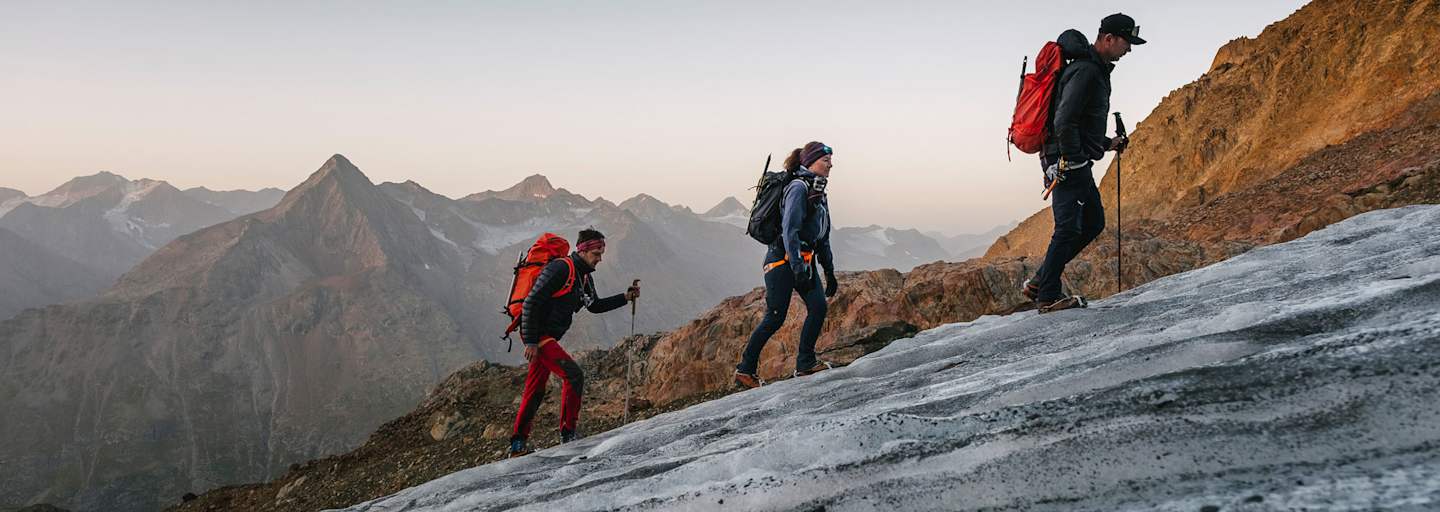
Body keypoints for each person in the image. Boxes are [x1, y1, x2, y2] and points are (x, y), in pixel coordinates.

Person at [1023, 13, 1145, 313]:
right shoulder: (1087, 71)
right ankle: (1047, 296)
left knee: (1093, 222)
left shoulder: (1095, 70)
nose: (1128, 50)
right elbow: (1064, 120)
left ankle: (1041, 280)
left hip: (1071, 159)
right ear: (1108, 39)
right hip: (1065, 161)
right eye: (1126, 43)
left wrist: (1107, 143)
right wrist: (1070, 158)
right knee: (1068, 228)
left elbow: (1081, 123)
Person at [509, 228, 640, 457]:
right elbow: (530, 303)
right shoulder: (561, 268)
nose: (600, 259)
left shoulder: (584, 276)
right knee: (574, 375)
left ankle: (517, 444)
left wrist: (625, 298)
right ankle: (568, 436)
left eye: (601, 253)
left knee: (535, 388)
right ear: (583, 250)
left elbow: (594, 305)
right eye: (597, 254)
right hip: (539, 335)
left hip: (546, 336)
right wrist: (530, 341)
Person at [734, 141, 839, 388]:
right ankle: (744, 370)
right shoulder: (797, 188)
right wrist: (796, 267)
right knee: (775, 317)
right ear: (810, 162)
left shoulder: (819, 193)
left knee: (818, 307)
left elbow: (822, 237)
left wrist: (829, 271)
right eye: (826, 160)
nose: (831, 165)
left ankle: (805, 364)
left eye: (831, 161)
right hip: (782, 261)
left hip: (804, 261)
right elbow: (789, 229)